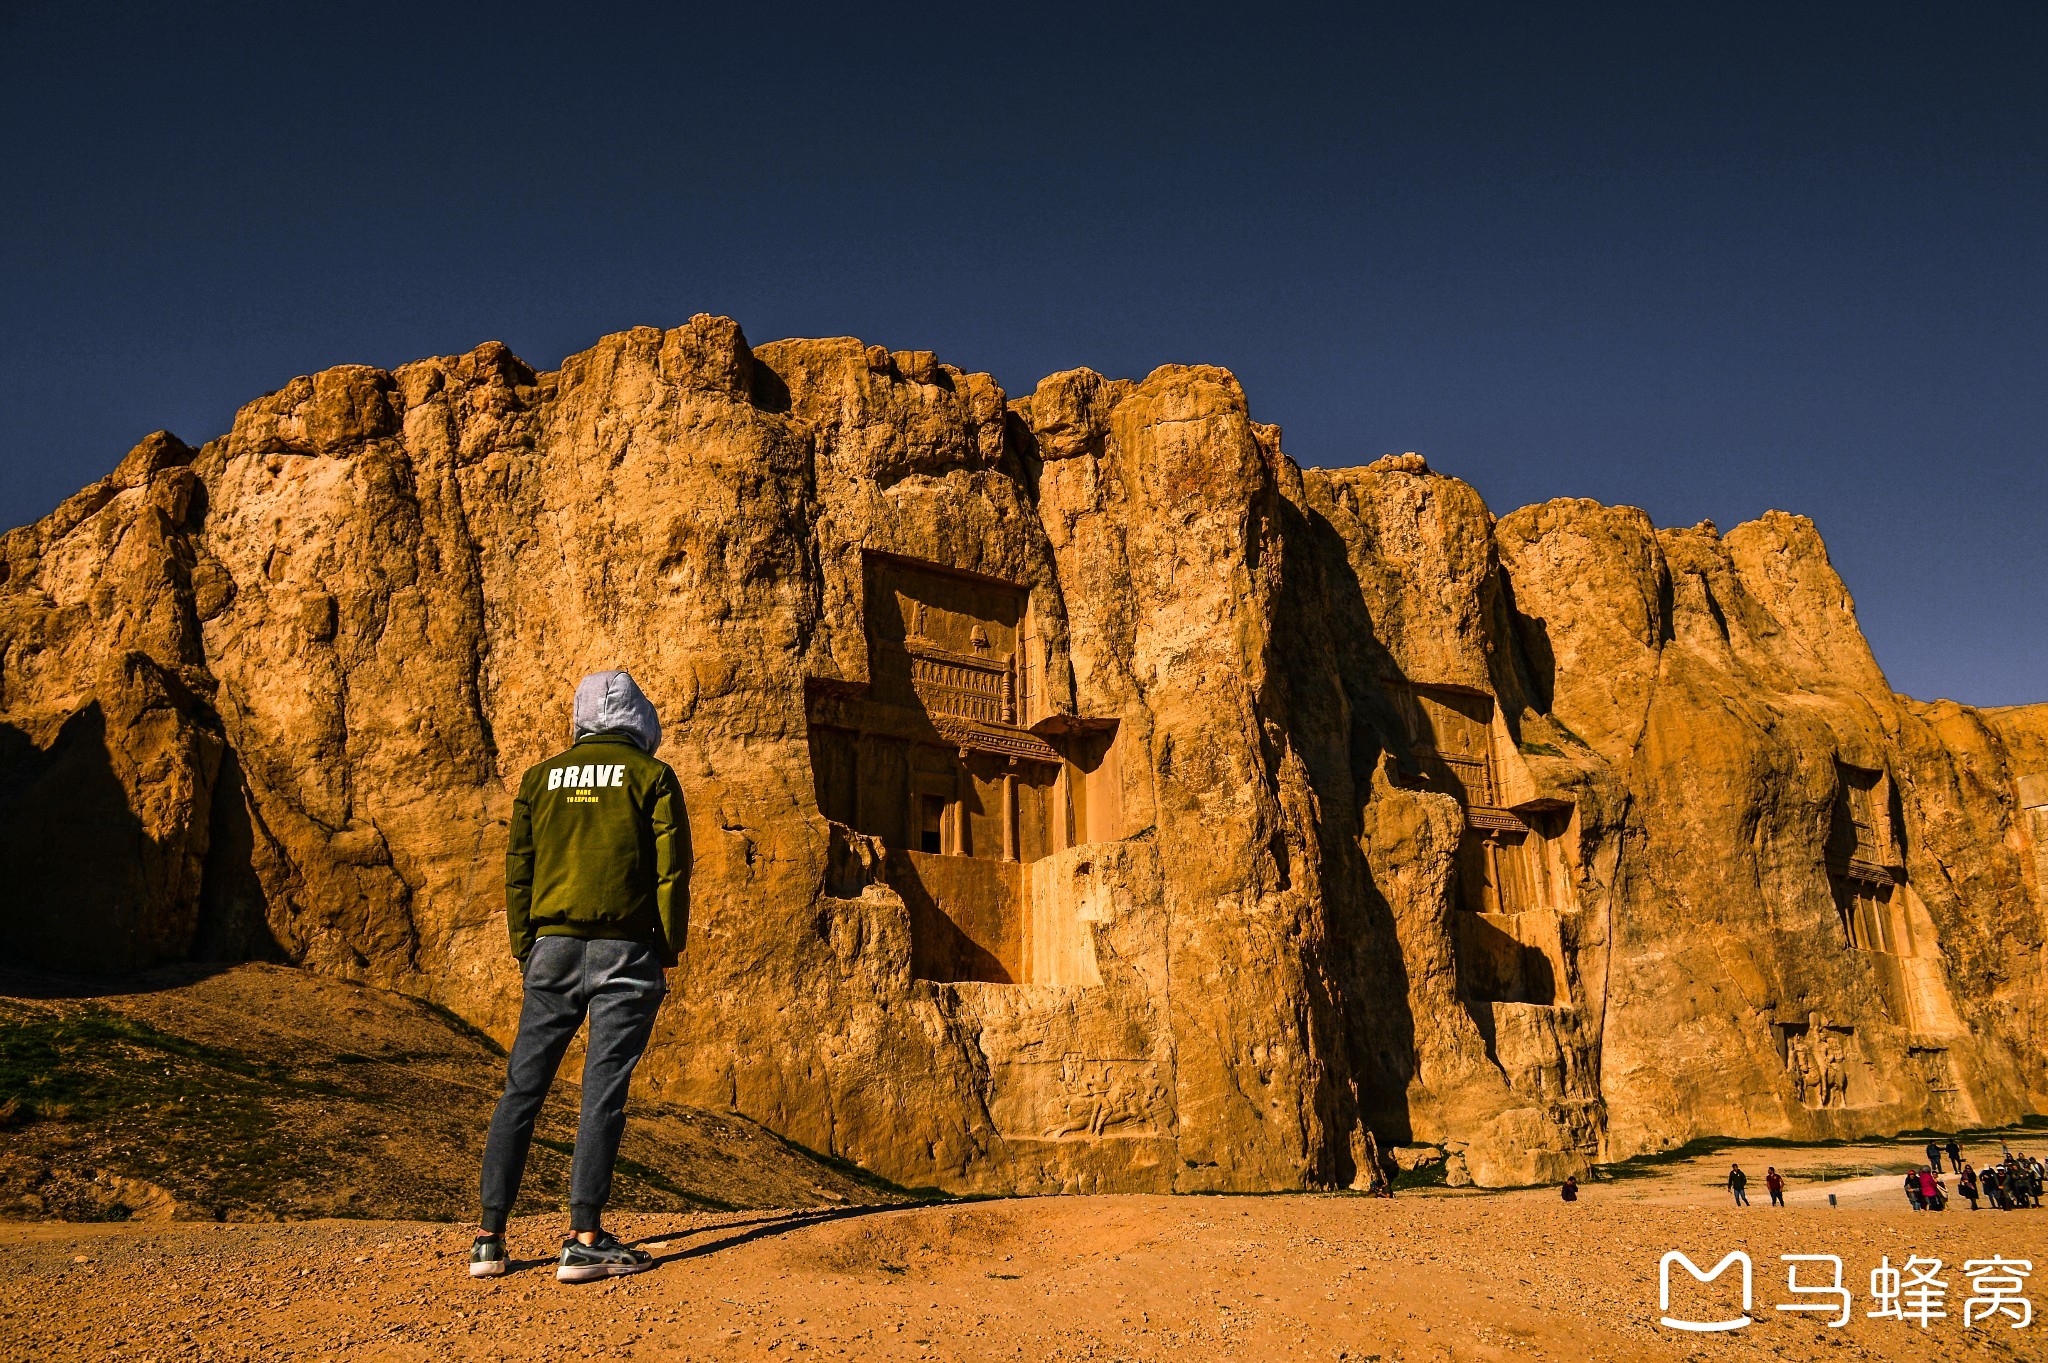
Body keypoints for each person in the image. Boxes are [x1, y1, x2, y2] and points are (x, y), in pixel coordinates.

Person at [470, 671, 689, 1282]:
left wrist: (526, 945)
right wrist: (664, 949)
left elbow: (519, 867)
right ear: (639, 719)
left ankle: (489, 1238)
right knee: (602, 1092)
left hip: (552, 948)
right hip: (625, 952)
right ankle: (583, 1237)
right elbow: (671, 873)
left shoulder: (540, 779)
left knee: (523, 1087)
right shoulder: (652, 777)